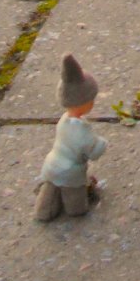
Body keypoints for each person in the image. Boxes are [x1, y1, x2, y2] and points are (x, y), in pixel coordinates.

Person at [34, 53, 107, 222]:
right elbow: (93, 150)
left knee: (50, 187)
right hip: (70, 170)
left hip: (52, 162)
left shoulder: (64, 120)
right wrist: (102, 144)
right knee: (74, 195)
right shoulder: (80, 130)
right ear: (84, 102)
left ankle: (44, 211)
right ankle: (75, 209)